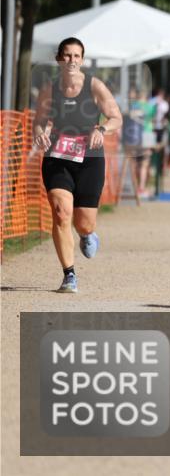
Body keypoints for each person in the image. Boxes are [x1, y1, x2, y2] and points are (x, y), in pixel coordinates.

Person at [32, 37, 122, 293]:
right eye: (67, 55)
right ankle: (69, 275)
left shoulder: (94, 86)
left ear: (82, 59)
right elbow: (38, 120)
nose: (71, 60)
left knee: (84, 223)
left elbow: (116, 117)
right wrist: (40, 132)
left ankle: (86, 235)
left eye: (76, 56)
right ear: (60, 59)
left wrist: (102, 128)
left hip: (90, 159)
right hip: (57, 157)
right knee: (60, 213)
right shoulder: (50, 89)